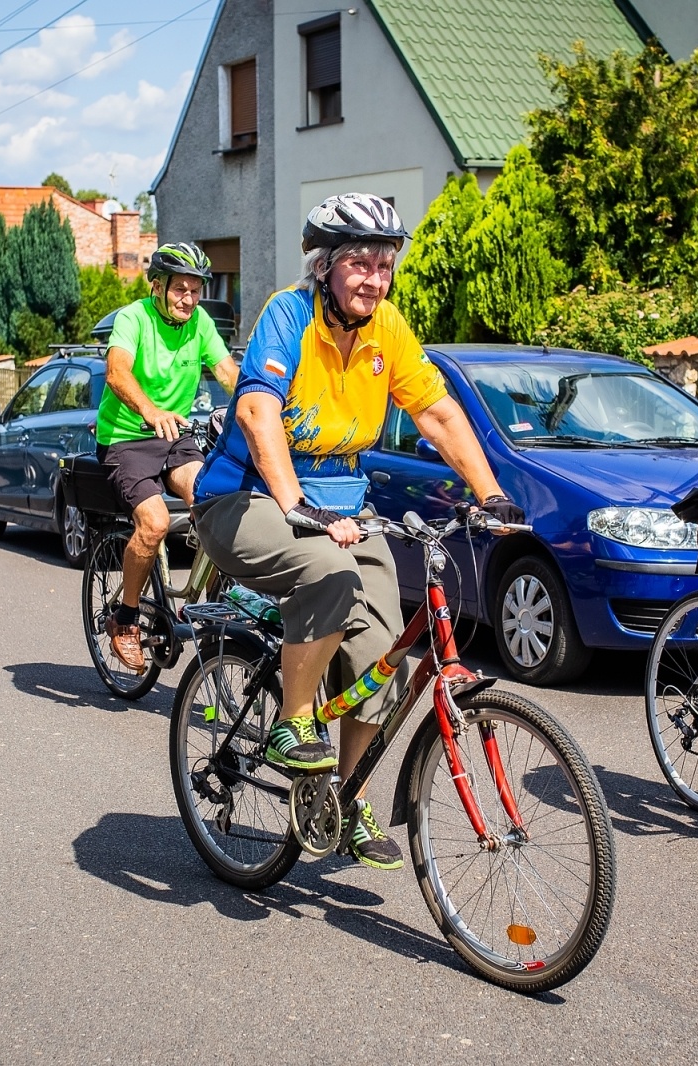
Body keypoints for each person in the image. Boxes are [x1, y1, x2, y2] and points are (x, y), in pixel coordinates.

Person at [192, 194, 523, 870]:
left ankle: (347, 799)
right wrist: (293, 502)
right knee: (326, 574)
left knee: (382, 661)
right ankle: (291, 723)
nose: (374, 278)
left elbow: (437, 413)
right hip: (246, 497)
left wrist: (490, 493)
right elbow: (258, 415)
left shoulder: (388, 329)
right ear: (325, 265)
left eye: (384, 264)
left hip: (345, 510)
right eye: (359, 264)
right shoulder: (289, 315)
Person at [97, 242, 239, 673]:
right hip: (126, 437)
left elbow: (227, 371)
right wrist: (149, 410)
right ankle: (124, 619)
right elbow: (117, 371)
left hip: (175, 435)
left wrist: (260, 407)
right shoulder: (133, 318)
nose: (189, 299)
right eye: (180, 289)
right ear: (156, 286)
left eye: (196, 291)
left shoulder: (200, 323)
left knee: (214, 500)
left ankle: (202, 600)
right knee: (155, 522)